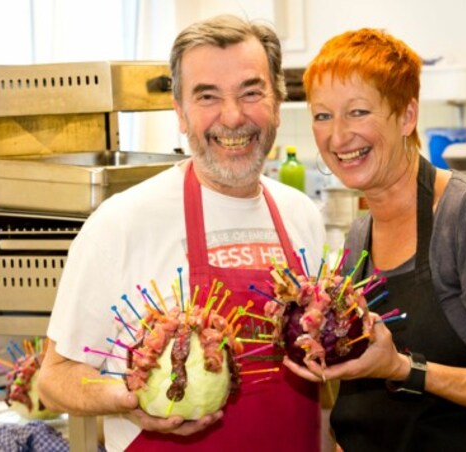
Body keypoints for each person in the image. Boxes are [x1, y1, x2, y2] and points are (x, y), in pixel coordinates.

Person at [284, 28, 466, 451]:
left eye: (357, 112)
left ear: (407, 116)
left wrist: (405, 369)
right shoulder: (359, 238)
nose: (338, 137)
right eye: (322, 116)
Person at [37, 14, 325, 452]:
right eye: (207, 96)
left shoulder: (303, 215)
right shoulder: (121, 224)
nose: (232, 117)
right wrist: (123, 398)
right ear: (180, 112)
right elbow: (54, 377)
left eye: (251, 93)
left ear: (278, 104)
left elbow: (320, 385)